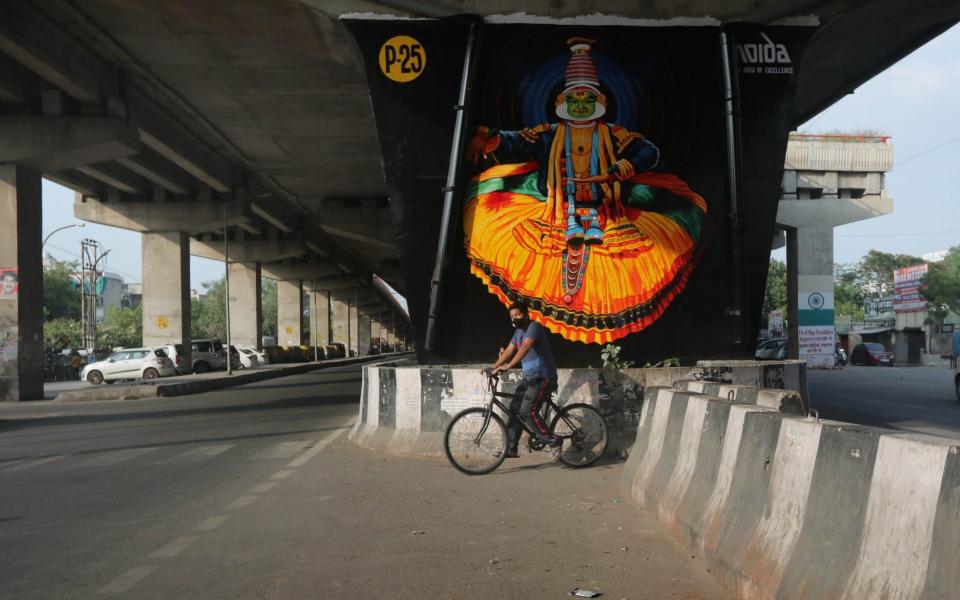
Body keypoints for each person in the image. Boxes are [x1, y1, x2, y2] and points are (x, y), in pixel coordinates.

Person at [484, 301, 559, 458]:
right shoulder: (518, 332)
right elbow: (510, 350)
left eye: (518, 315)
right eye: (512, 316)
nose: (515, 318)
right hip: (530, 378)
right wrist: (494, 367)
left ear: (526, 314)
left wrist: (508, 366)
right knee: (514, 409)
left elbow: (524, 348)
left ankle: (553, 440)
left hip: (543, 376)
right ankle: (511, 448)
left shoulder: (534, 327)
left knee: (527, 411)